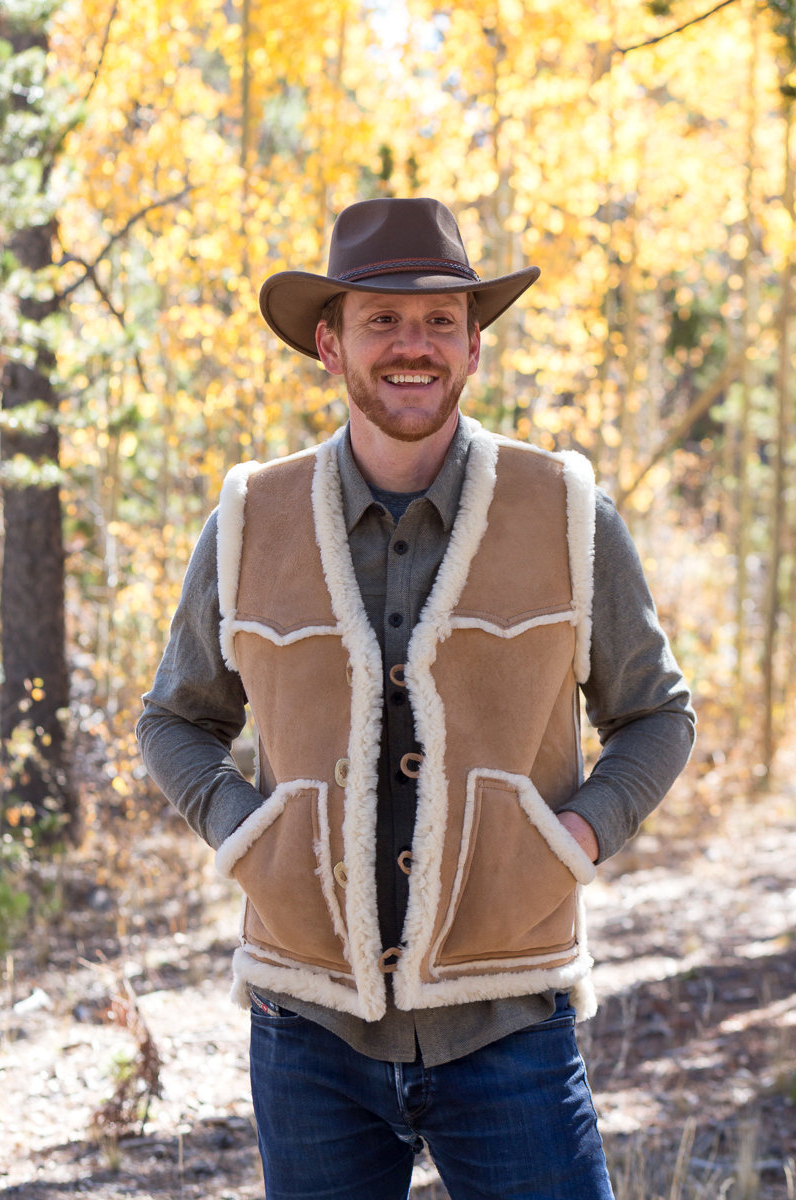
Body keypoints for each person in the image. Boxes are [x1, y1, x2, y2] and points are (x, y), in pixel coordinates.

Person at [137, 197, 695, 1199]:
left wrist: (577, 835)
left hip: (509, 1024)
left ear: (474, 348)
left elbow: (655, 713)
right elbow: (174, 719)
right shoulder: (248, 519)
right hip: (305, 1034)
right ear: (329, 344)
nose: (413, 345)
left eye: (440, 321)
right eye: (381, 319)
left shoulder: (566, 511)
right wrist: (246, 831)